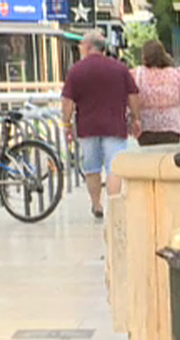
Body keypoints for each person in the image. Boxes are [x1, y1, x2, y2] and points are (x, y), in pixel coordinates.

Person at [62, 29, 140, 220]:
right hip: (115, 126)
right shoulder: (119, 68)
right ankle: (113, 205)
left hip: (87, 127)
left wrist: (66, 124)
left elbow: (67, 102)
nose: (80, 49)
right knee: (114, 168)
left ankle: (96, 205)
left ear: (88, 47)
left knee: (92, 168)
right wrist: (136, 118)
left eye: (81, 46)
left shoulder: (76, 70)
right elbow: (133, 95)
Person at [132, 39, 180, 146]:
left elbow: (132, 99)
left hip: (146, 128)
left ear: (144, 55)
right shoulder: (175, 74)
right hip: (172, 127)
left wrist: (135, 118)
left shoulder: (137, 74)